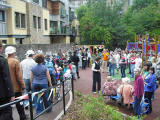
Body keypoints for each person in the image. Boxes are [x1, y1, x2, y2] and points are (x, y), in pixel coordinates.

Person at [5, 46, 27, 120]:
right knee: (20, 105)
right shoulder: (15, 61)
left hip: (7, 89)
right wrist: (23, 86)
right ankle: (23, 118)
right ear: (13, 53)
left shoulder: (4, 61)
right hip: (16, 88)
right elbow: (19, 76)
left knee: (8, 107)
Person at [0, 41, 15, 120]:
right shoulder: (2, 60)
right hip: (3, 95)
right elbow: (7, 78)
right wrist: (12, 94)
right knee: (6, 114)